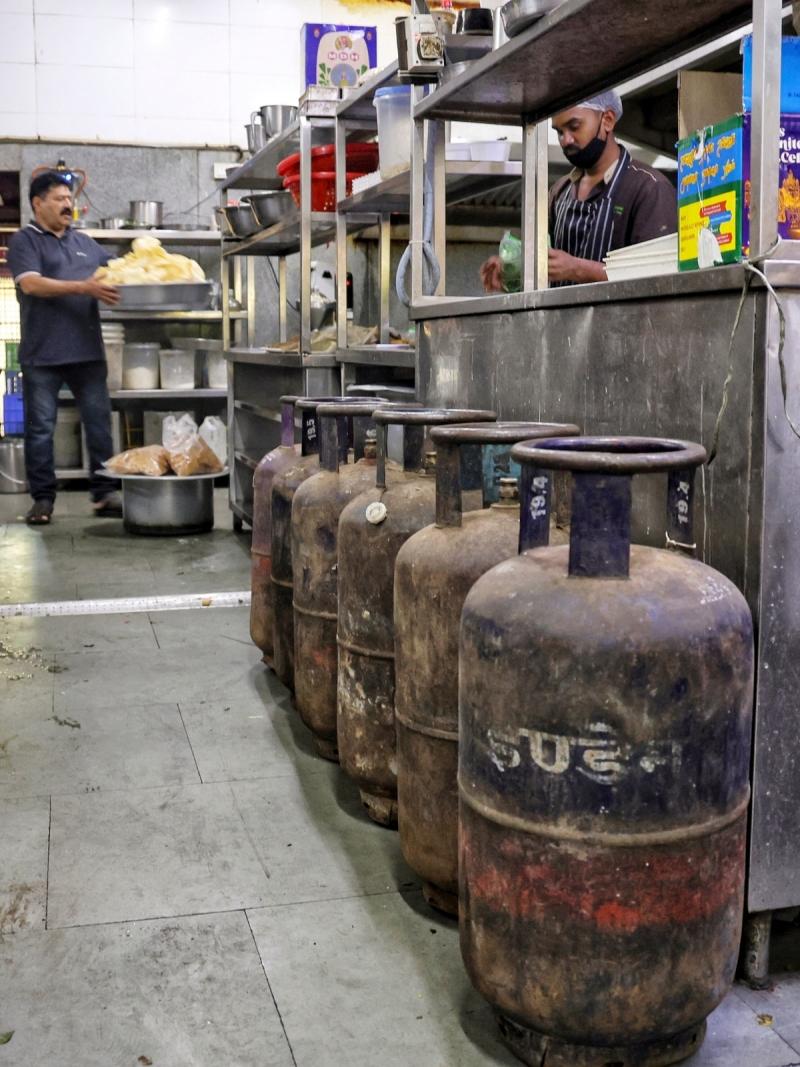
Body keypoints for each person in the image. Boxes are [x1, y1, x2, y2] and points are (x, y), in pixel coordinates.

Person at [7, 172, 123, 525]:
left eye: (69, 198)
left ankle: (104, 493)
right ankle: (42, 499)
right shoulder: (25, 241)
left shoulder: (85, 243)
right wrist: (83, 288)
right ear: (37, 203)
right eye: (59, 198)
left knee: (99, 424)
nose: (67, 204)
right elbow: (32, 285)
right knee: (41, 428)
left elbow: (120, 270)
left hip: (87, 352)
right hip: (42, 354)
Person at [480, 91, 676, 290]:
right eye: (559, 132)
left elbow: (660, 278)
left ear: (607, 120)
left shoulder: (649, 188)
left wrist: (577, 269)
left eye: (574, 127)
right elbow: (541, 264)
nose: (566, 140)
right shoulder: (559, 193)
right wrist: (512, 269)